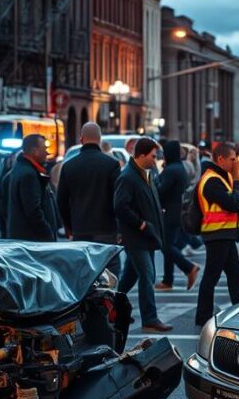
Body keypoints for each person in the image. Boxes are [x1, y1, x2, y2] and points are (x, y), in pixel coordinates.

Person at [114, 138, 172, 333]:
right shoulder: (128, 176)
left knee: (129, 277)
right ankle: (150, 318)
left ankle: (112, 309)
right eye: (153, 156)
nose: (155, 160)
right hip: (137, 237)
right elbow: (120, 206)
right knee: (147, 275)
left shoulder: (144, 174)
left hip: (147, 236)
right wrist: (140, 224)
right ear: (141, 155)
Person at [194, 143, 239, 328]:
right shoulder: (212, 180)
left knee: (234, 272)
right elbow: (233, 203)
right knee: (212, 276)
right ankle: (203, 317)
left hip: (224, 233)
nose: (235, 163)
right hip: (217, 233)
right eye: (232, 159)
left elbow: (238, 203)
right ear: (221, 159)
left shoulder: (220, 177)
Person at [57, 122, 120, 246]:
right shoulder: (111, 164)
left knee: (84, 264)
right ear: (99, 139)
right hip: (106, 228)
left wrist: (70, 225)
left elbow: (61, 201)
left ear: (81, 139)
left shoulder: (69, 166)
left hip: (80, 228)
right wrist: (119, 227)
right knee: (108, 264)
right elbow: (118, 198)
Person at [155, 139, 200, 291]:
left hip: (170, 212)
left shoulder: (171, 170)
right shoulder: (179, 167)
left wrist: (154, 181)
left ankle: (189, 268)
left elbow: (161, 190)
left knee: (166, 246)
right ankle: (168, 280)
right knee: (169, 245)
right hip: (177, 211)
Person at [6, 134, 60, 242]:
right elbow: (34, 211)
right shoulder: (29, 174)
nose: (47, 153)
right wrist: (48, 233)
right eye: (44, 149)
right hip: (34, 242)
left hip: (26, 239)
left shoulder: (21, 169)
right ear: (35, 151)